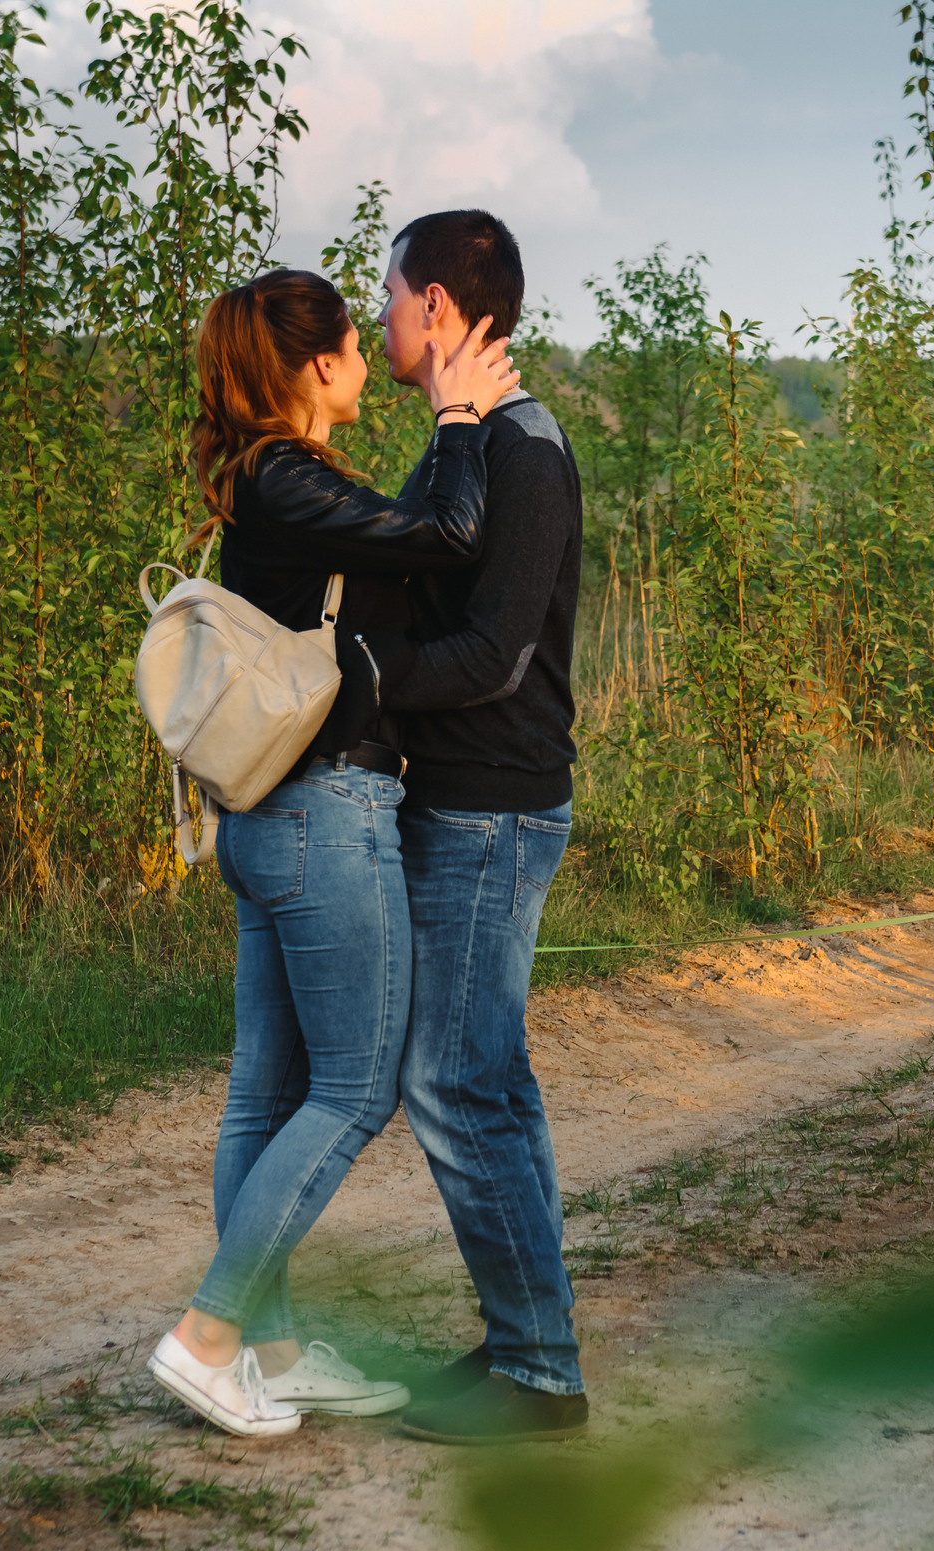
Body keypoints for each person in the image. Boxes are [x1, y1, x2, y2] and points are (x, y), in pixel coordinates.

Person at [147, 268, 520, 1439]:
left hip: (273, 820)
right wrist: (459, 416)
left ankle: (272, 1348)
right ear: (319, 364)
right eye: (357, 341)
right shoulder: (286, 480)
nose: (372, 357)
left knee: (265, 1092)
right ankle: (208, 1336)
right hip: (323, 817)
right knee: (355, 1089)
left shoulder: (277, 485)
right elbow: (451, 535)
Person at [365, 211, 592, 1446]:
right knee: (487, 1075)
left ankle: (542, 1377)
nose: (380, 313)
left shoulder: (524, 452)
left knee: (451, 1080)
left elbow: (495, 655)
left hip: (490, 807)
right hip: (468, 800)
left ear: (443, 307)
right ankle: (524, 1342)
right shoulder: (478, 441)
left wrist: (356, 684)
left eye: (390, 291)